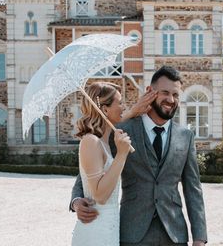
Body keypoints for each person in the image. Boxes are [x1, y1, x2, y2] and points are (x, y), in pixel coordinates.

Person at [71, 66, 207, 246]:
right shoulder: (120, 131)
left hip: (175, 235)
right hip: (132, 234)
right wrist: (76, 201)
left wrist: (199, 237)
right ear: (150, 92)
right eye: (165, 92)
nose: (171, 99)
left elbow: (193, 188)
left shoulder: (185, 136)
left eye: (176, 95)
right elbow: (90, 171)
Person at [71, 81, 157, 246]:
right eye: (120, 102)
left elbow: (114, 120)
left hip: (109, 229)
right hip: (95, 231)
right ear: (104, 110)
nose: (124, 106)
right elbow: (100, 196)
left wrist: (134, 111)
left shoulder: (103, 141)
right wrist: (122, 154)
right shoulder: (90, 141)